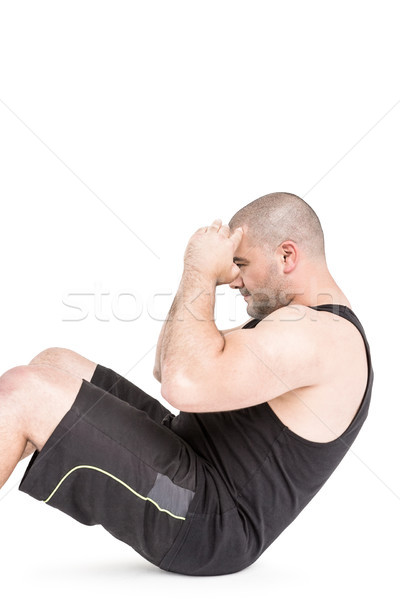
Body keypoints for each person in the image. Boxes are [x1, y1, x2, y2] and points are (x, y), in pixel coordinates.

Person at [0, 192, 373, 576]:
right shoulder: (294, 323)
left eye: (241, 264)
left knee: (25, 391)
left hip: (208, 518)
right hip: (187, 456)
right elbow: (168, 365)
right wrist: (196, 275)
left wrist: (201, 269)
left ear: (287, 256)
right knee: (54, 364)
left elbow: (181, 384)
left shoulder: (317, 335)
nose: (235, 280)